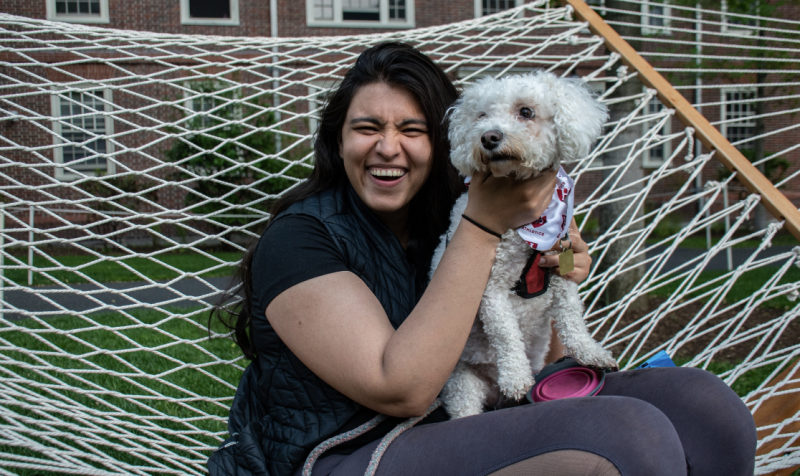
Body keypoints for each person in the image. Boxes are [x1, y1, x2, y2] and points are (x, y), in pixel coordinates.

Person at [208, 42, 757, 476]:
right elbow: (403, 389)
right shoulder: (301, 239)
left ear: (442, 141)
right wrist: (482, 225)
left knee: (708, 409)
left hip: (479, 413)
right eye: (367, 128)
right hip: (346, 453)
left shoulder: (450, 213)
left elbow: (549, 356)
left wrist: (553, 264)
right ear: (338, 141)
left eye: (411, 129)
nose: (387, 147)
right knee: (628, 434)